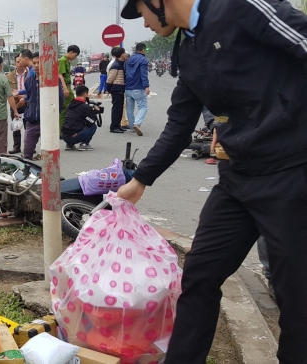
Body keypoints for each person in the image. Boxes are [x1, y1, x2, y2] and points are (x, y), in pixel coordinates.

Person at [118, 0, 307, 363]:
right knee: (199, 278)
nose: (143, 23)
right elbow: (179, 123)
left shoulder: (241, 7)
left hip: (290, 175)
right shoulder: (187, 51)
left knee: (296, 297)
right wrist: (140, 179)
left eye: (140, 11)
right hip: (236, 181)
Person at [124, 43, 150, 136]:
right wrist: (146, 86)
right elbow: (144, 74)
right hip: (138, 87)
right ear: (143, 50)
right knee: (143, 107)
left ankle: (132, 127)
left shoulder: (128, 59)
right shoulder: (143, 60)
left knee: (130, 108)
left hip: (128, 87)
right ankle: (137, 123)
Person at [62, 85, 98, 151]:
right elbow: (90, 123)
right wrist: (94, 113)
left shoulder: (70, 104)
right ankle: (84, 144)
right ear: (85, 94)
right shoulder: (84, 107)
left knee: (75, 122)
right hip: (74, 136)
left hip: (64, 136)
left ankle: (69, 144)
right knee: (93, 126)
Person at [6, 56, 28, 154]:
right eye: (17, 61)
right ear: (15, 63)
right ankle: (16, 147)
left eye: (21, 61)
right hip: (15, 104)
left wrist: (24, 96)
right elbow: (8, 91)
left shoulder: (30, 74)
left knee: (29, 126)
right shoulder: (9, 76)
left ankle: (28, 146)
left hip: (28, 102)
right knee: (16, 126)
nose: (19, 63)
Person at [22, 52, 41, 160]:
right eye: (34, 63)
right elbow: (30, 97)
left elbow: (59, 99)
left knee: (49, 155)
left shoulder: (52, 80)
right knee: (27, 154)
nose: (37, 65)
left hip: (47, 122)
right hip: (32, 121)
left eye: (39, 62)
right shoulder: (28, 81)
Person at [58, 45, 80, 129]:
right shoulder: (63, 60)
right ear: (71, 52)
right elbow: (60, 75)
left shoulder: (68, 61)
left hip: (68, 86)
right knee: (64, 109)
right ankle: (61, 130)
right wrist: (65, 88)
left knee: (70, 106)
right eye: (75, 55)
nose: (75, 57)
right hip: (65, 86)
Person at [106, 47, 127, 133]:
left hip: (120, 89)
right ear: (122, 54)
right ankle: (113, 127)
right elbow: (110, 78)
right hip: (116, 89)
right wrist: (108, 89)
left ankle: (117, 125)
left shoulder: (121, 64)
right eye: (124, 53)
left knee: (120, 109)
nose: (125, 54)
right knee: (116, 109)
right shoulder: (116, 65)